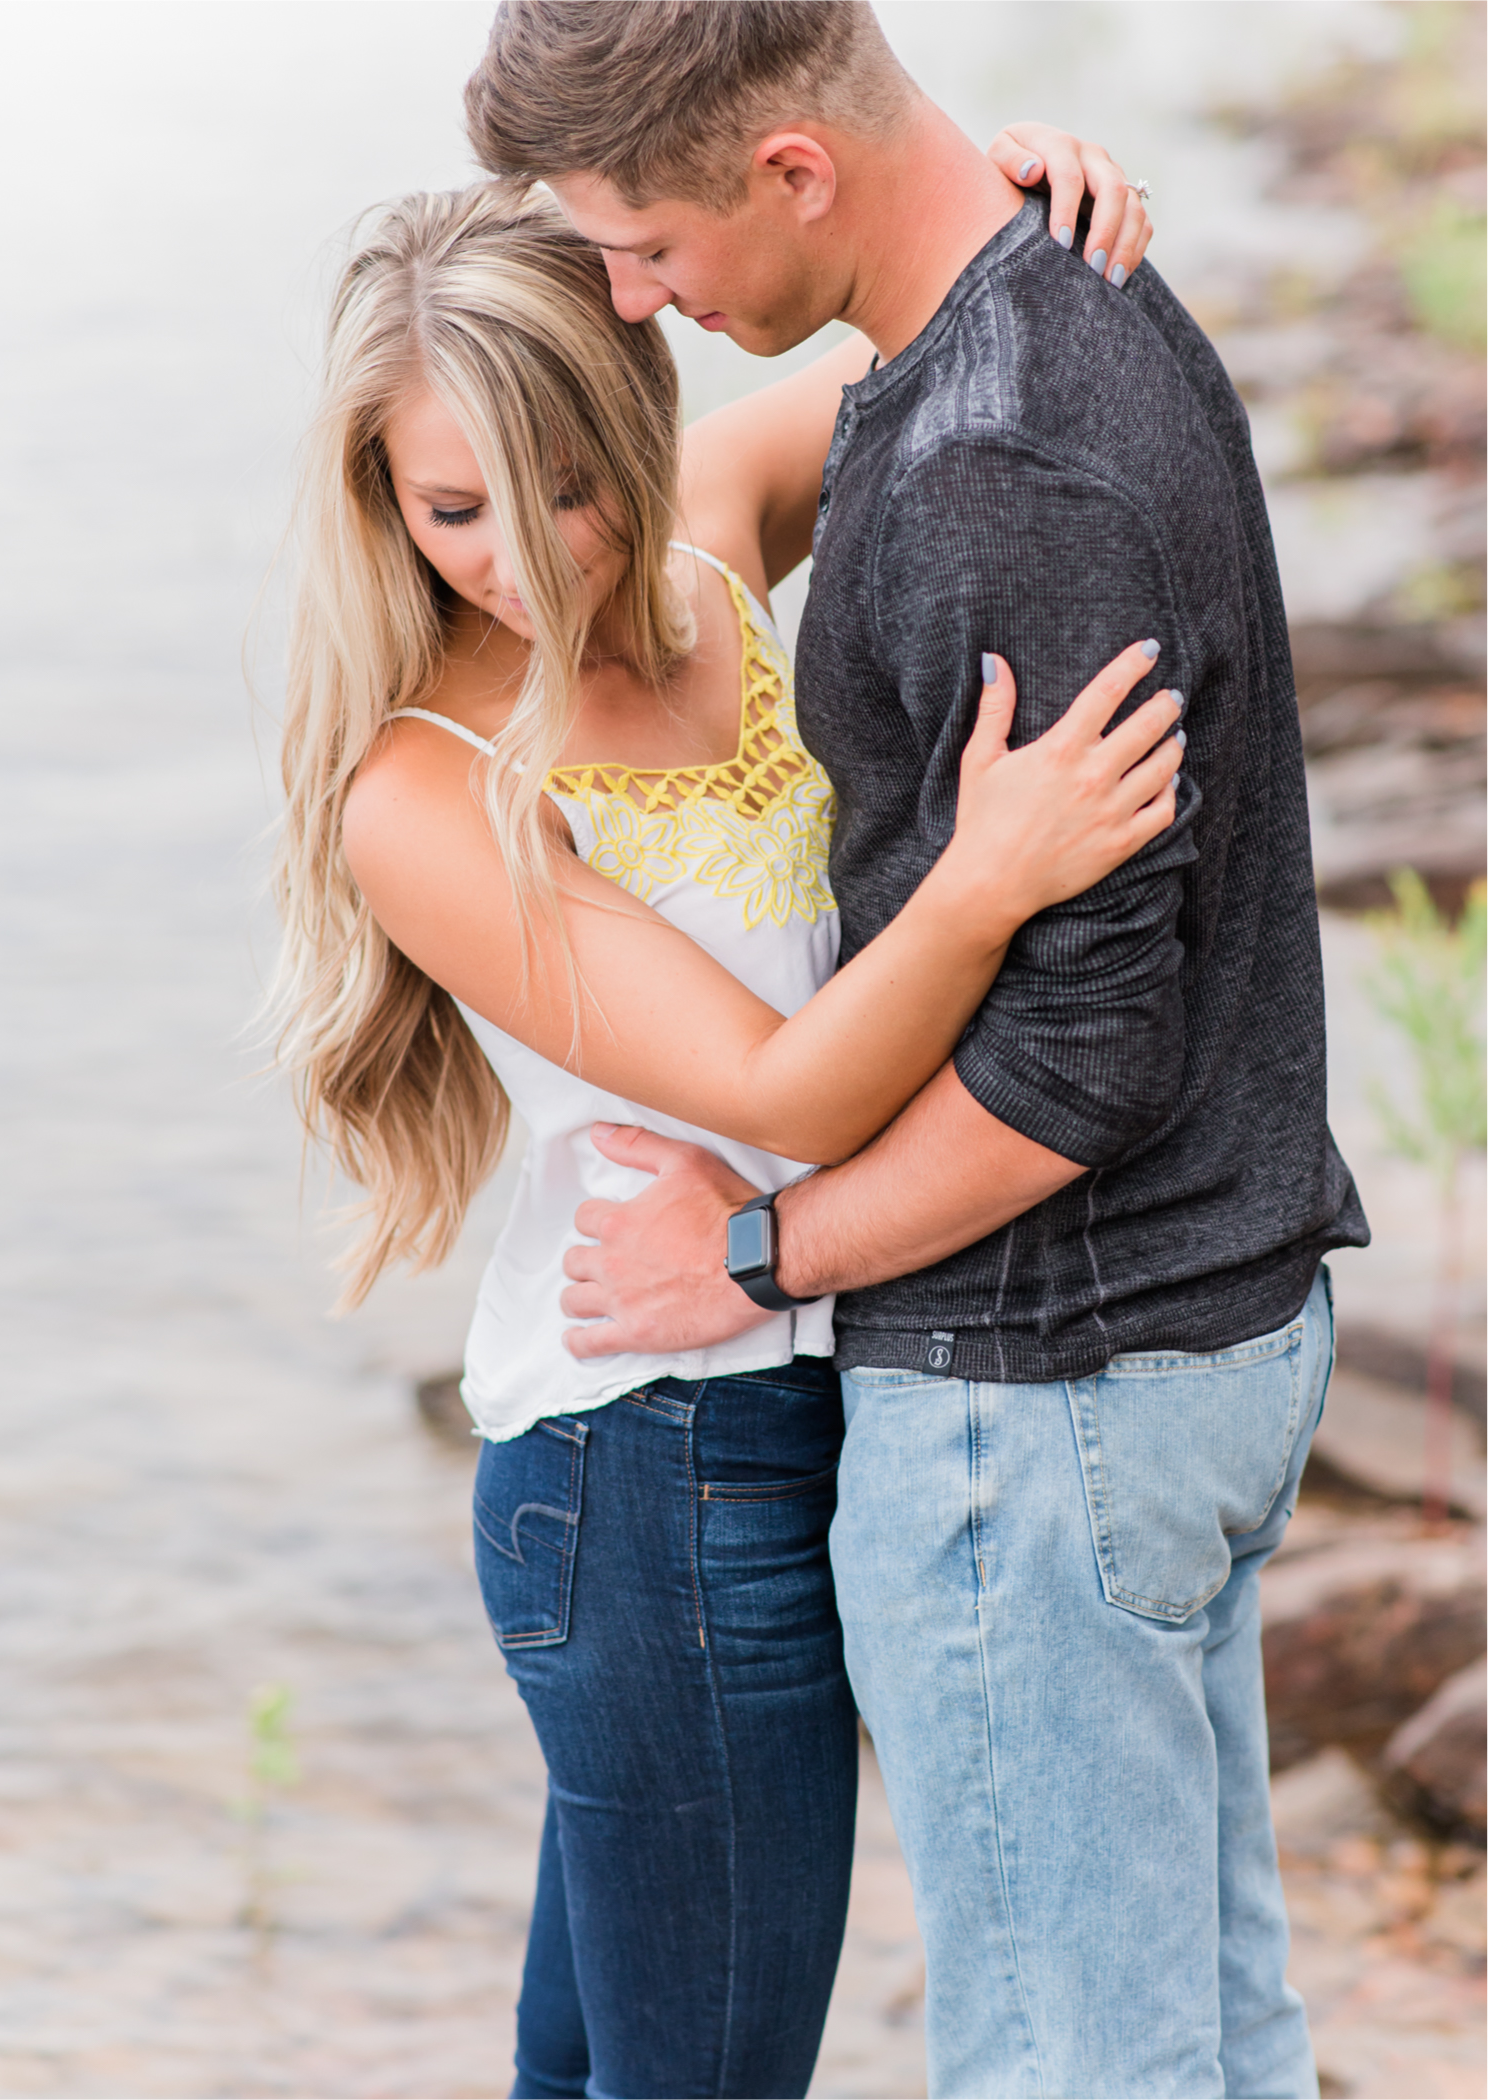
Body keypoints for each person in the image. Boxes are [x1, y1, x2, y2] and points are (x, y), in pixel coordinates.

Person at [463, 5, 1371, 2097]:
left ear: (791, 169)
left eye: (647, 245)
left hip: (1051, 1389)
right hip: (1200, 1333)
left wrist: (760, 1262)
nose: (638, 302)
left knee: (1072, 2059)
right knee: (1206, 2030)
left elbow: (1080, 1061)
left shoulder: (986, 463)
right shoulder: (1053, 307)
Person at [271, 170, 1177, 2099]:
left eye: (563, 487)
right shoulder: (426, 792)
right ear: (383, 498)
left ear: (637, 407)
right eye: (451, 509)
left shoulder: (707, 530)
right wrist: (989, 879)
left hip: (768, 1397)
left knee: (606, 2071)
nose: (520, 556)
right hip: (656, 1460)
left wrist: (1022, 186)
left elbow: (907, 328)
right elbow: (788, 1089)